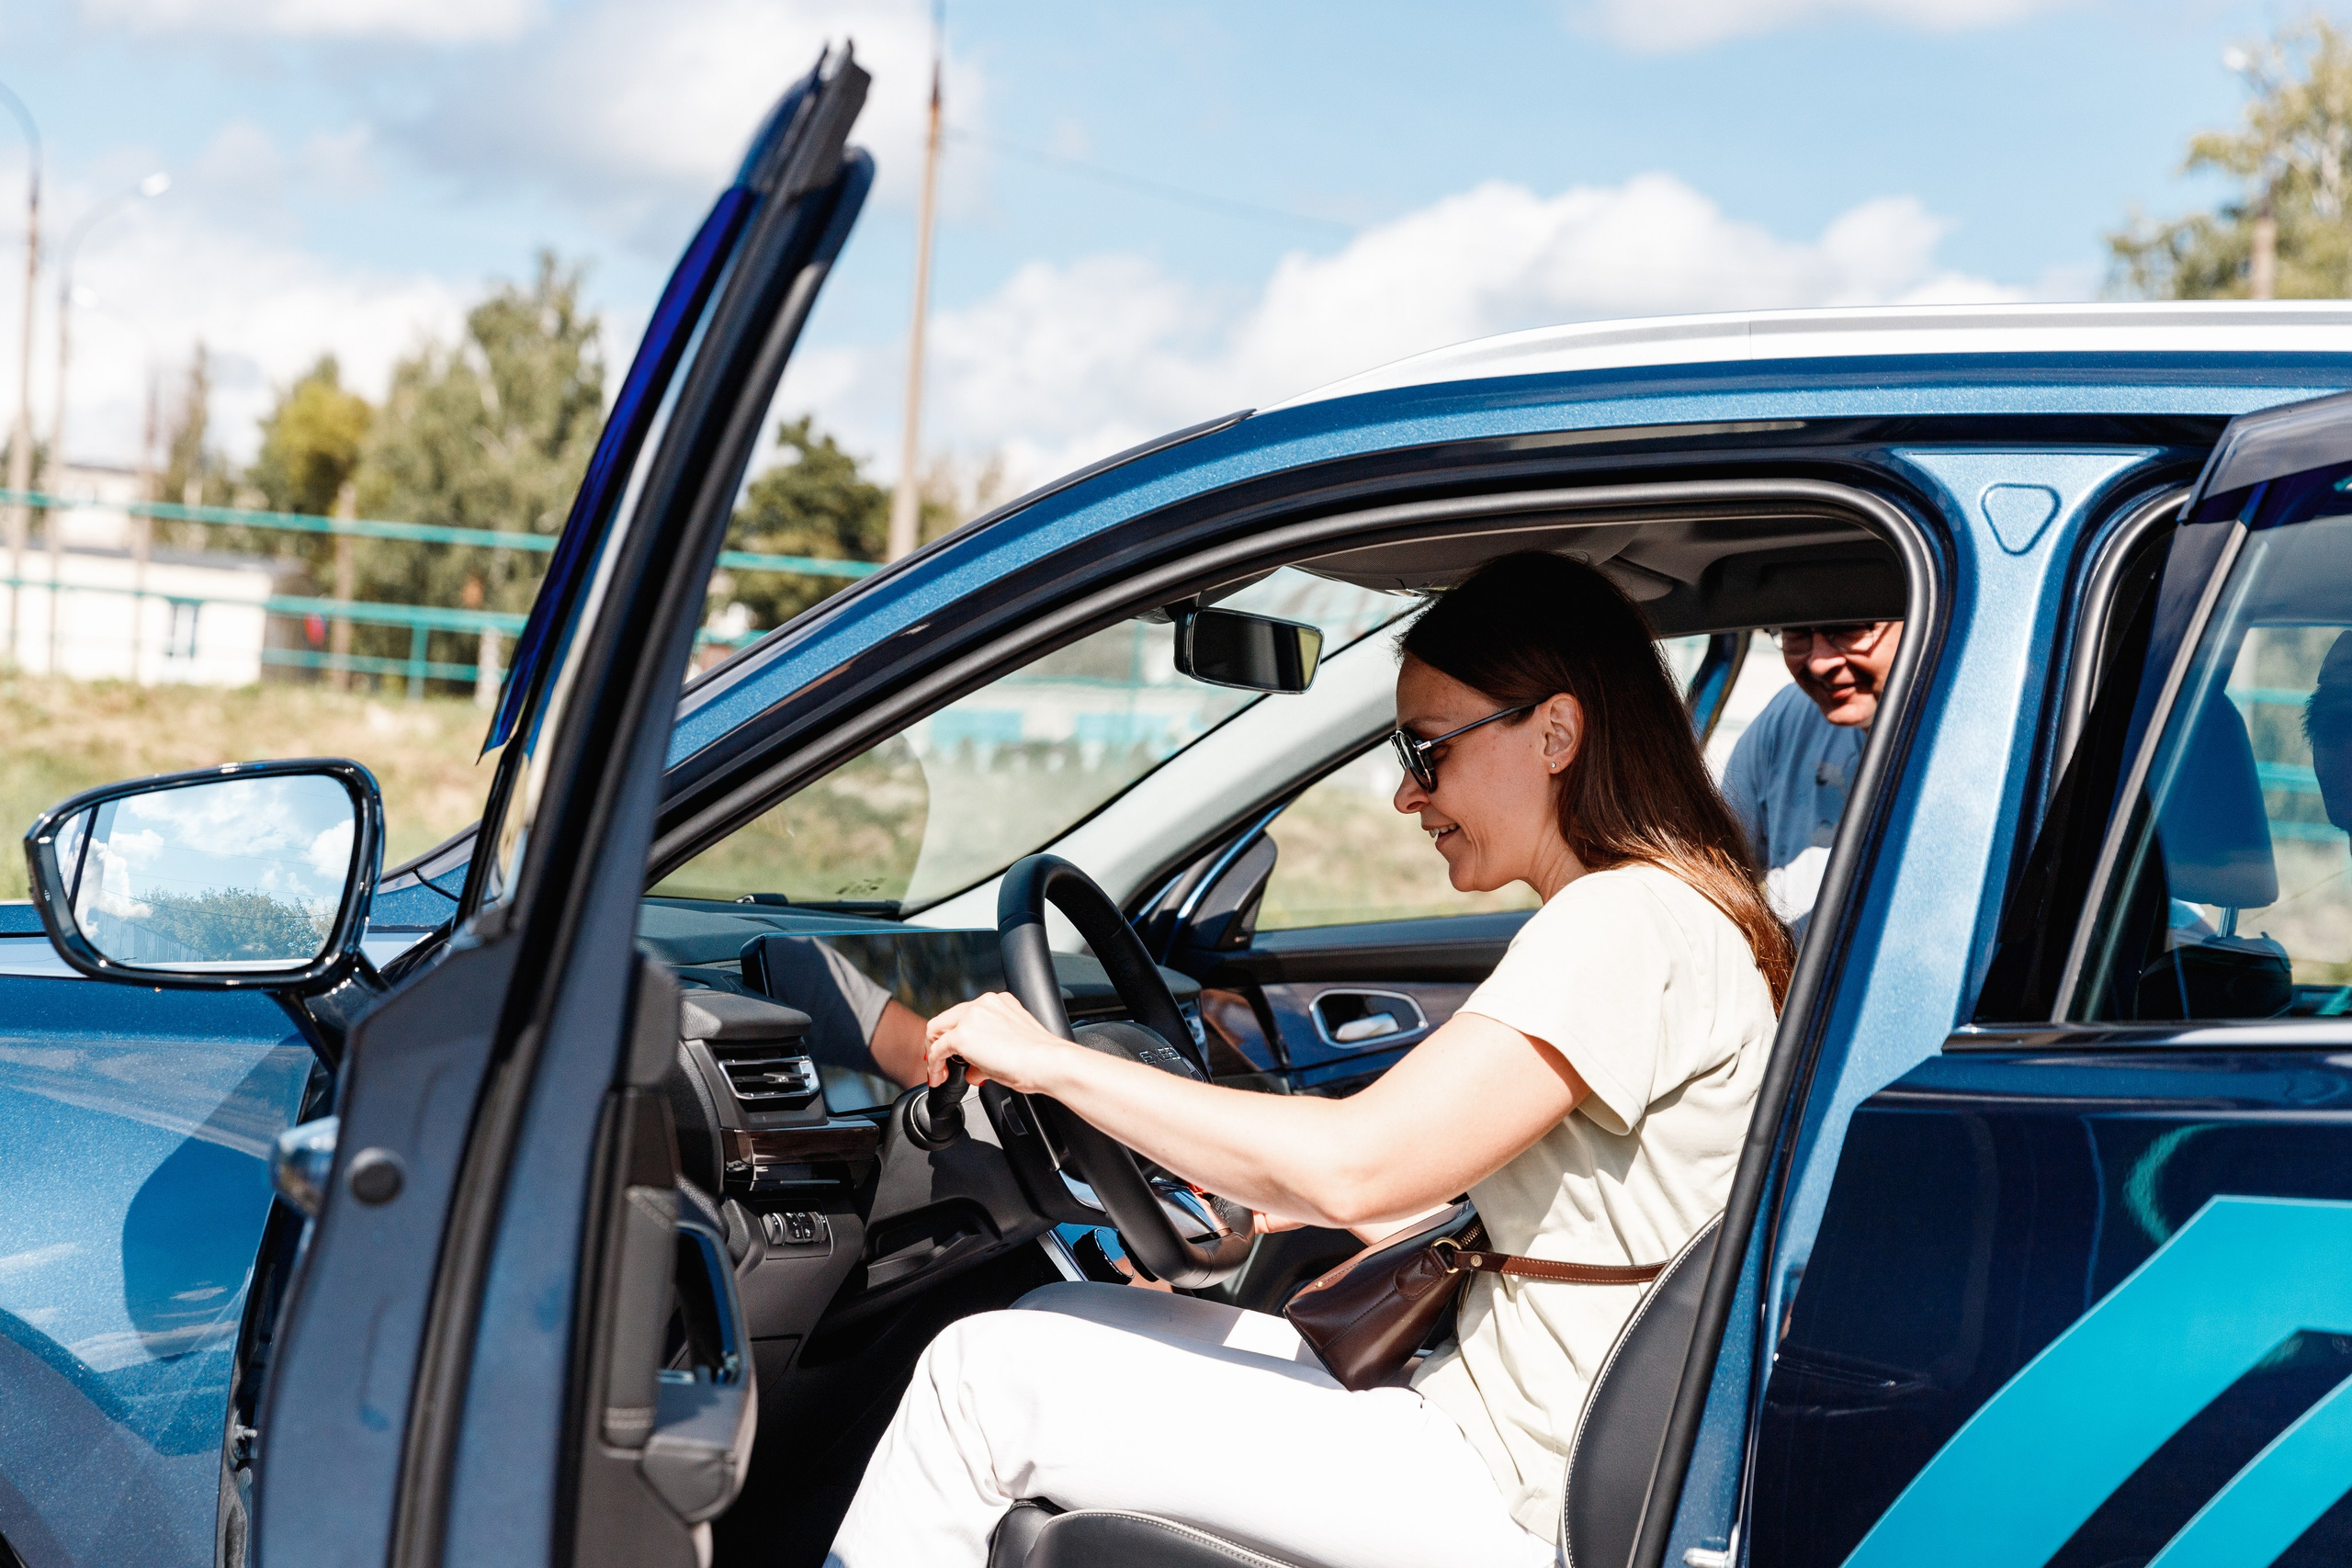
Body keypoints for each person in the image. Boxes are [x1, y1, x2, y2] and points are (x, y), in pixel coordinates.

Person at [824, 553, 1792, 1568]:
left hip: (1509, 1476)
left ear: (1554, 733)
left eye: (1426, 753)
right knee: (1053, 1309)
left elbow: (1354, 1163)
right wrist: (1257, 1191)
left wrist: (1053, 1064)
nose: (1405, 798)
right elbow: (1503, 1195)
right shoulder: (1668, 913)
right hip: (1511, 1425)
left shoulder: (1621, 920)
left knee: (981, 1376)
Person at [1721, 619, 1903, 925]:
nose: (1819, 662)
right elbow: (1715, 868)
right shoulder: (1786, 720)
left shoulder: (1985, 739)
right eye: (1797, 632)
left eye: (1851, 628)